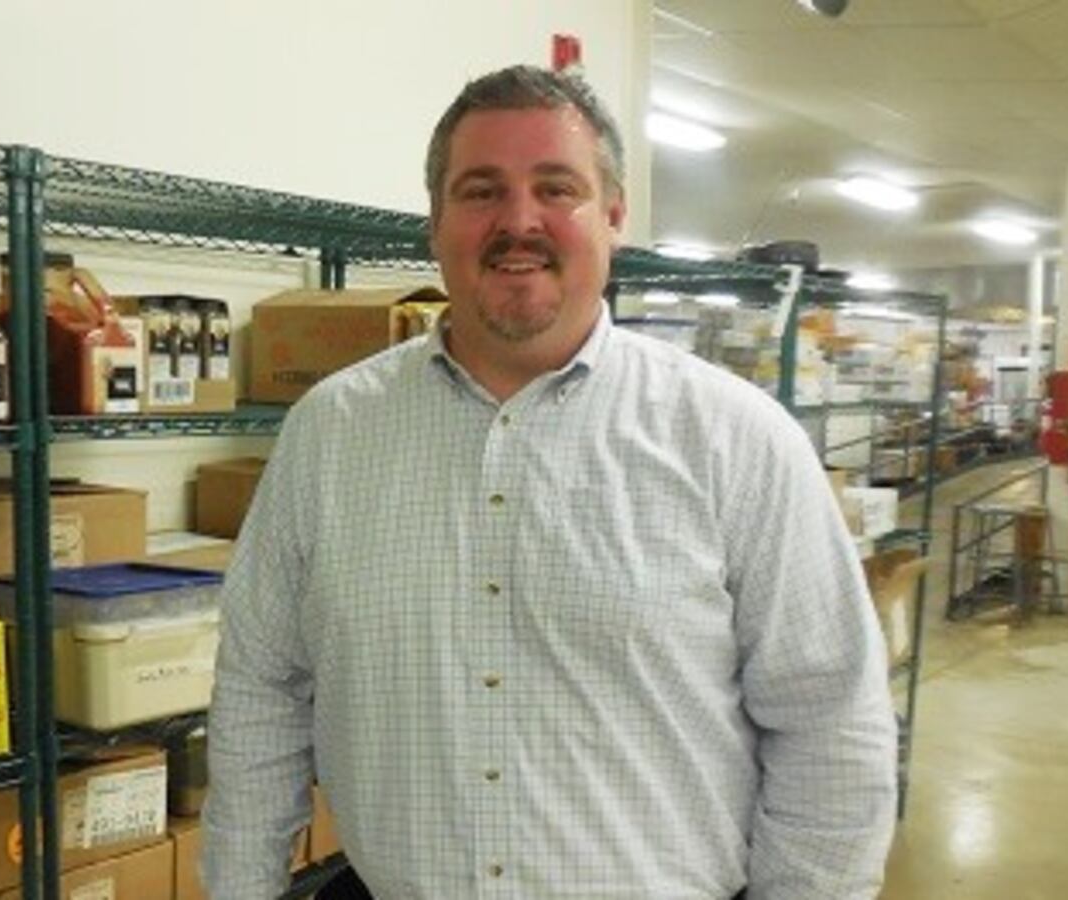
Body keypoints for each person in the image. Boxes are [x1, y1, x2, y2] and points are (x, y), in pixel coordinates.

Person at [203, 64, 897, 899]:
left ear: (611, 216)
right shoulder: (330, 433)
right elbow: (260, 691)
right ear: (436, 223)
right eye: (481, 191)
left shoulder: (736, 442)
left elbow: (831, 729)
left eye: (555, 188)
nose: (518, 221)